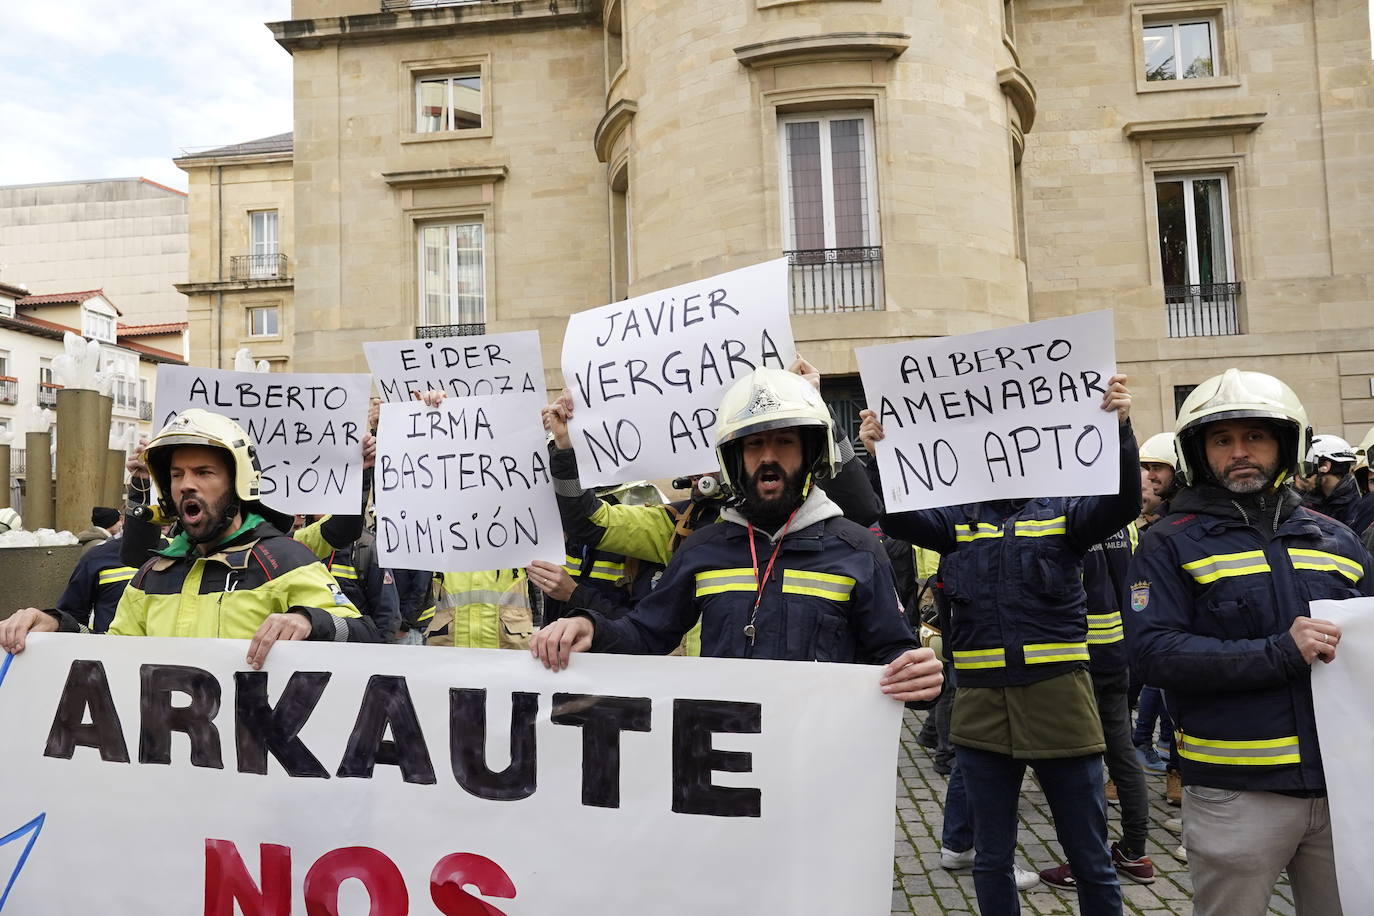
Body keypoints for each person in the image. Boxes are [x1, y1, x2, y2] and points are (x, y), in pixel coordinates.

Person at [862, 374, 1139, 916]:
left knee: (1088, 854)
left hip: (1060, 697)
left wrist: (1123, 433)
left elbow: (1123, 502)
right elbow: (894, 515)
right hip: (982, 701)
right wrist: (879, 456)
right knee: (990, 857)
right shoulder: (956, 520)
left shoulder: (1065, 511)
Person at [529, 367, 943, 708]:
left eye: (784, 442)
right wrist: (591, 627)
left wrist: (918, 676)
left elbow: (892, 654)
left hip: (819, 768)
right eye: (754, 444)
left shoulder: (858, 550)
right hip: (725, 763)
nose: (768, 456)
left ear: (810, 453)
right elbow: (646, 633)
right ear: (733, 460)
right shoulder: (702, 547)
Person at [1128, 368, 1374, 916]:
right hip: (1235, 794)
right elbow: (1152, 653)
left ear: (1286, 444)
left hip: (1343, 789)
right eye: (1223, 439)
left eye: (1255, 436)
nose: (1240, 451)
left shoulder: (1337, 538)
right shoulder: (1168, 543)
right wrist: (1278, 653)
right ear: (1201, 451)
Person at [0, 409, 381, 665]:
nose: (187, 485)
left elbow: (367, 638)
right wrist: (54, 628)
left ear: (238, 483)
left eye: (204, 472)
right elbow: (112, 655)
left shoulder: (284, 560)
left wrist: (310, 620)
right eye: (178, 475)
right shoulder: (152, 574)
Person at [1037, 520, 1155, 889]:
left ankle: (1085, 861)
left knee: (1081, 763)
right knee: (1122, 754)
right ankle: (1135, 852)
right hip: (1117, 652)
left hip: (1075, 657)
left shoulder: (1058, 518)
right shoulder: (1121, 520)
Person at [1301, 434, 1374, 537]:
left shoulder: (1359, 503)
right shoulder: (1308, 500)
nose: (1303, 474)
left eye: (1309, 465)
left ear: (1325, 466)